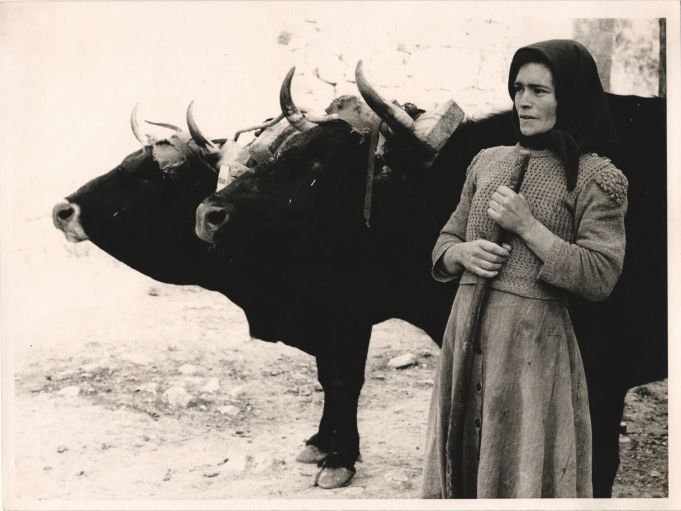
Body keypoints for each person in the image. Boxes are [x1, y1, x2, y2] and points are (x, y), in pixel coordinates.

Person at [421, 39, 628, 498]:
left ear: (569, 97)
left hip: (532, 353)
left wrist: (528, 227)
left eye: (540, 90)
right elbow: (444, 241)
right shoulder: (486, 161)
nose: (523, 101)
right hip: (465, 338)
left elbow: (600, 275)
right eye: (518, 88)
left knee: (523, 473)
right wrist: (461, 255)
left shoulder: (598, 176)